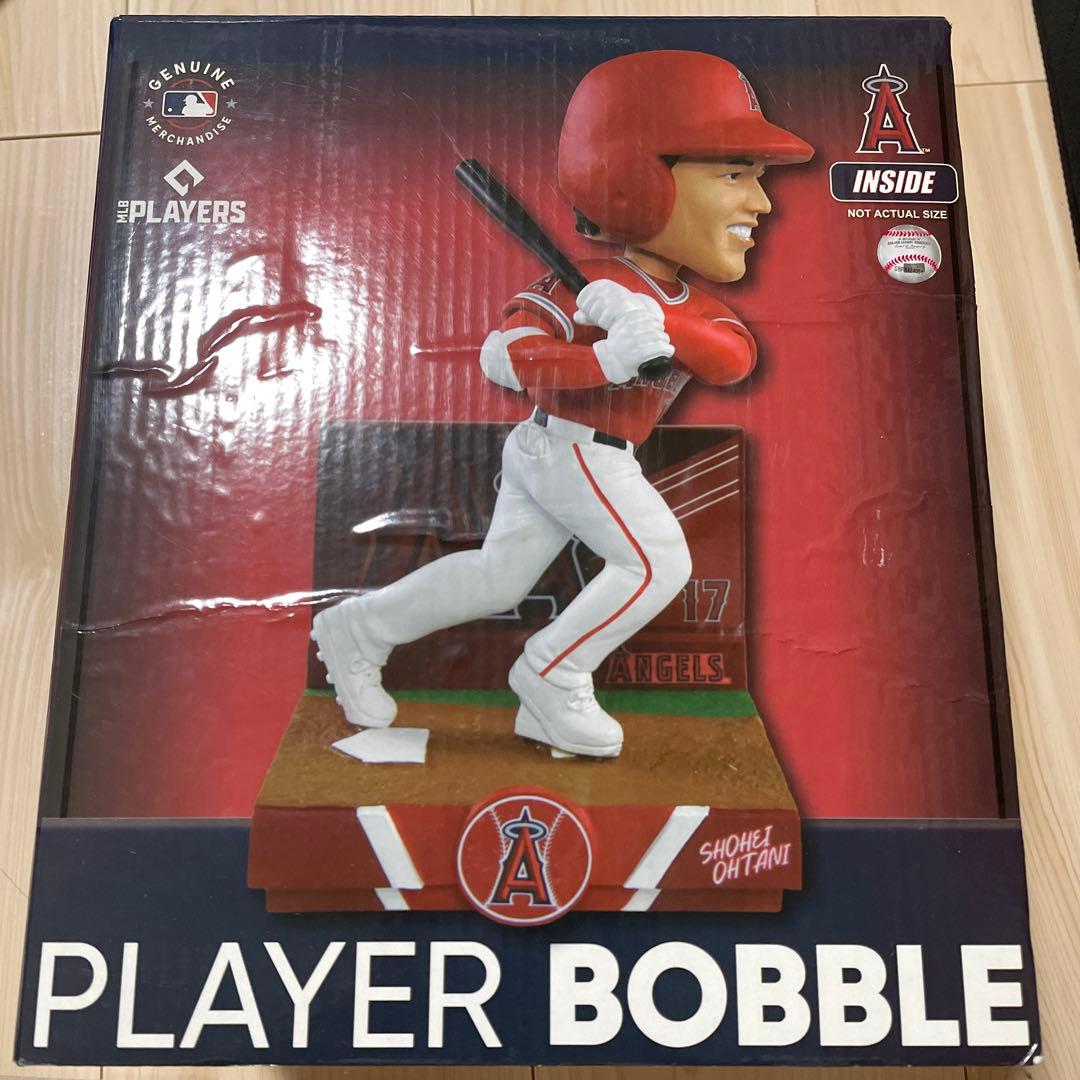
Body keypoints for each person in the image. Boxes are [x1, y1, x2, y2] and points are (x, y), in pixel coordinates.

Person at [313, 50, 813, 757]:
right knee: (656, 564)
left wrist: (653, 322)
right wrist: (604, 359)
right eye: (734, 174)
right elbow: (505, 357)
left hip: (572, 454)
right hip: (572, 448)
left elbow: (734, 359)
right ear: (635, 176)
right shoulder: (571, 286)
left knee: (497, 580)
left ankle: (358, 628)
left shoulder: (682, 304)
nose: (761, 202)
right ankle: (552, 673)